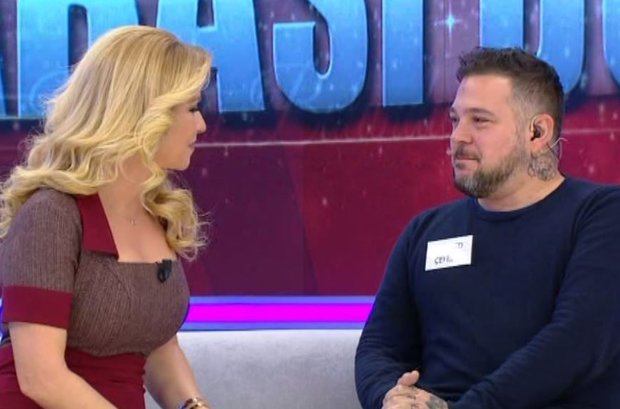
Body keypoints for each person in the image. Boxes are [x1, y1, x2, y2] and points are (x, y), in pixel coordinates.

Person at [355, 47, 620, 409]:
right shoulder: (425, 231)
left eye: (479, 121)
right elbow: (379, 346)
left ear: (537, 132)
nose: (457, 137)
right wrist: (389, 396)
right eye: (455, 120)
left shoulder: (601, 215)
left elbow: (578, 341)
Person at [0, 25, 213, 409]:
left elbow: (159, 347)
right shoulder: (50, 216)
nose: (202, 125)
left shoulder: (156, 213)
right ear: (144, 113)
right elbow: (41, 378)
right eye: (192, 108)